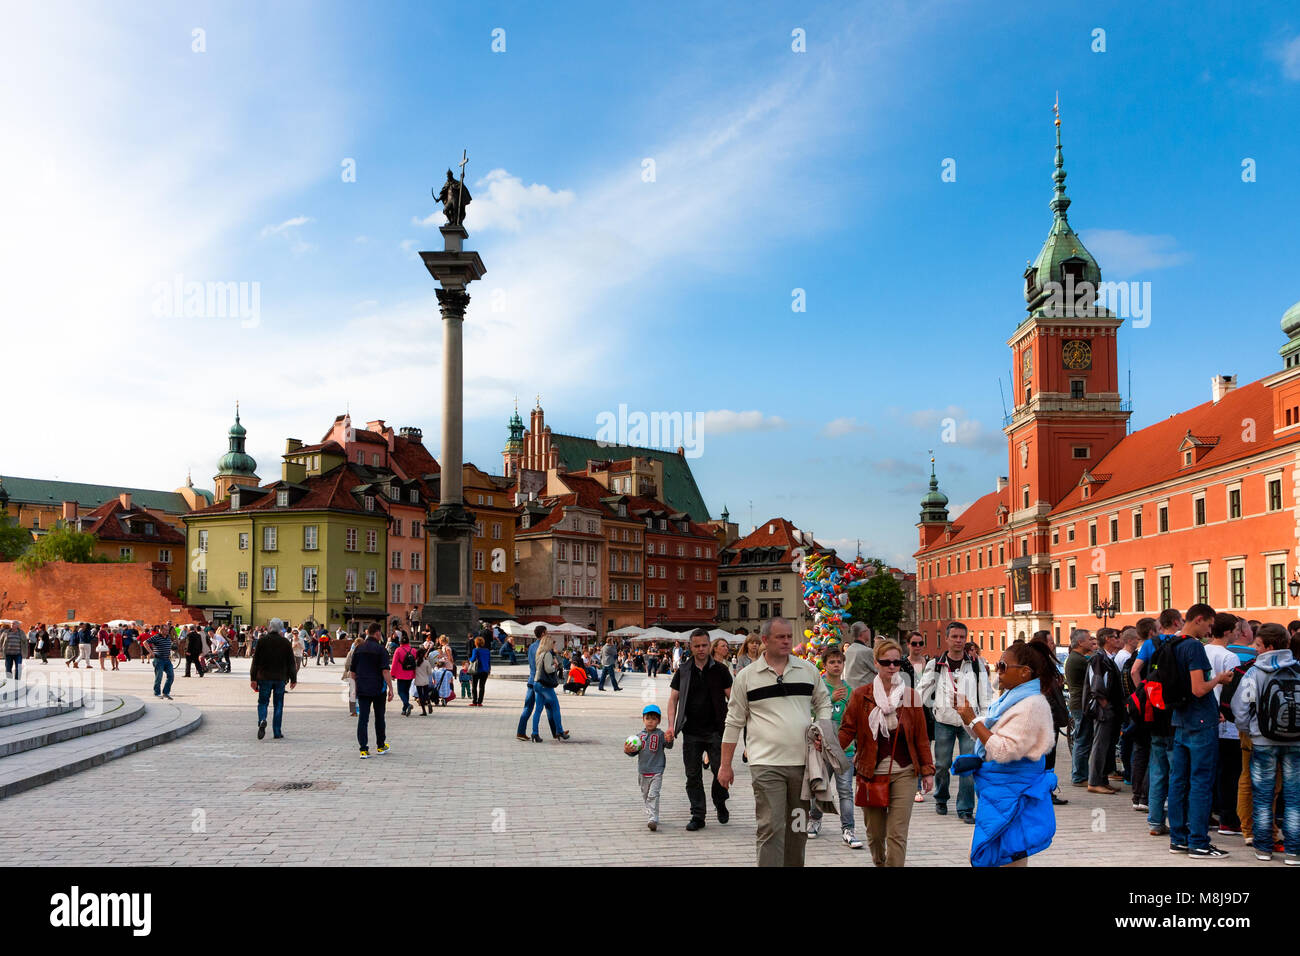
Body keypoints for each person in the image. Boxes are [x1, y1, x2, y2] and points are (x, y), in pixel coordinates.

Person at [720, 617, 831, 867]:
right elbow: (733, 721)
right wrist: (725, 765)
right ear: (765, 640)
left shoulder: (807, 670)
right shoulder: (747, 676)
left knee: (798, 827)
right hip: (766, 764)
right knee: (770, 826)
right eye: (780, 637)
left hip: (803, 767)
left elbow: (823, 702)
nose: (786, 641)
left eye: (789, 636)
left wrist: (822, 728)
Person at [953, 639, 1059, 866]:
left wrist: (972, 719)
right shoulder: (1011, 698)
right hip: (1003, 791)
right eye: (996, 665)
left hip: (1014, 790)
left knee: (1007, 853)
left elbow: (1002, 750)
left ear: (1024, 673)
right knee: (1002, 851)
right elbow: (989, 735)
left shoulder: (1031, 705)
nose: (997, 671)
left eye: (1002, 666)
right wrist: (968, 719)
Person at [838, 640, 934, 865]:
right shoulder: (862, 695)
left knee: (897, 835)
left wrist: (928, 771)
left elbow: (921, 737)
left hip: (905, 771)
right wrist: (827, 751)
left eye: (896, 662)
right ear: (876, 664)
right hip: (870, 772)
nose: (892, 667)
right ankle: (879, 862)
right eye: (886, 662)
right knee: (875, 835)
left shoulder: (910, 696)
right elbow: (847, 730)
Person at [1161, 603, 1234, 859]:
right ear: (1200, 619)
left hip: (1180, 720)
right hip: (1200, 723)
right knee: (1201, 783)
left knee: (1178, 781)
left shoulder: (1173, 643)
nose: (1210, 630)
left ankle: (1178, 839)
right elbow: (1199, 689)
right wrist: (1220, 680)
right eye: (1209, 625)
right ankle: (1199, 842)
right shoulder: (1193, 647)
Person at [1231, 622, 1300, 864]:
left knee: (1262, 795)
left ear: (1269, 646)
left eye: (1258, 645)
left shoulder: (1255, 672)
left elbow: (1240, 708)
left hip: (1262, 740)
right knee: (1294, 797)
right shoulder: (1298, 669)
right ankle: (1294, 851)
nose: (1255, 649)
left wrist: (1248, 730)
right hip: (1295, 741)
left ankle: (1263, 848)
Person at [919, 621, 991, 823]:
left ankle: (965, 808)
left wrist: (983, 717)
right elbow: (922, 691)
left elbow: (986, 693)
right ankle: (941, 797)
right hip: (944, 720)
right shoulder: (936, 664)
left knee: (969, 764)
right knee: (942, 764)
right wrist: (935, 706)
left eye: (962, 637)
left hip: (971, 722)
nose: (959, 641)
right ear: (947, 638)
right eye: (955, 637)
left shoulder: (976, 664)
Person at [666, 628, 733, 831]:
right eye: (697, 646)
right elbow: (673, 699)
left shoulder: (721, 670)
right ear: (691, 647)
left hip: (716, 730)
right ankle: (698, 814)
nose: (701, 649)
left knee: (719, 772)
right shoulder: (684, 670)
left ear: (709, 645)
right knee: (692, 775)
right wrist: (671, 725)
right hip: (691, 731)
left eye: (704, 645)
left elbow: (733, 698)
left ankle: (719, 802)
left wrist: (738, 723)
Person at [816, 644, 865, 848]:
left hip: (846, 750)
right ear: (825, 665)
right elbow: (812, 713)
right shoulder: (819, 688)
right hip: (822, 747)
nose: (836, 665)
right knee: (819, 787)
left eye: (839, 662)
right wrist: (829, 699)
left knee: (845, 790)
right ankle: (814, 819)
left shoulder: (850, 690)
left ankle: (848, 829)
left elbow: (855, 719)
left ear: (844, 664)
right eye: (832, 662)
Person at [1206, 613, 1246, 836]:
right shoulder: (1230, 657)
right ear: (1229, 631)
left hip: (1207, 715)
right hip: (1225, 719)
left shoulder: (1203, 650)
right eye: (1237, 628)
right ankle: (1228, 818)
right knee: (1230, 772)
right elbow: (1233, 692)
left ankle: (1213, 813)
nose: (1239, 633)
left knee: (1214, 769)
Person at [1084, 626, 1125, 794]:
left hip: (1110, 708)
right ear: (1108, 639)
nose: (1118, 640)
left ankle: (1102, 779)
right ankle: (1094, 781)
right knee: (1100, 745)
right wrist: (1105, 706)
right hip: (1104, 710)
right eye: (1116, 637)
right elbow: (1097, 686)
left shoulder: (1107, 658)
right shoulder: (1099, 659)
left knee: (1107, 746)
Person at [626, 704, 673, 831]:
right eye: (647, 718)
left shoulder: (661, 735)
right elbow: (633, 752)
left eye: (653, 719)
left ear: (658, 721)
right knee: (646, 795)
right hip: (643, 771)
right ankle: (653, 814)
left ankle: (652, 819)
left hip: (657, 770)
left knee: (653, 794)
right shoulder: (638, 736)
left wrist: (669, 739)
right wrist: (628, 750)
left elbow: (668, 746)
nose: (650, 721)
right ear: (643, 719)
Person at [249, 619, 297, 740]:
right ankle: (277, 731)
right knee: (278, 704)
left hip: (264, 677)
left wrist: (253, 678)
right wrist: (293, 678)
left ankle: (262, 719)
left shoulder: (262, 641)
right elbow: (291, 662)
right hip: (280, 678)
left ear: (270, 627)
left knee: (263, 702)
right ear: (281, 629)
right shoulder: (285, 642)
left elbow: (255, 661)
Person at [351, 622, 393, 758]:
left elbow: (353, 672)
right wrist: (391, 688)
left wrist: (353, 688)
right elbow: (385, 671)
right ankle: (380, 746)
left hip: (362, 688)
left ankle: (363, 749)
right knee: (379, 717)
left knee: (363, 718)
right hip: (378, 689)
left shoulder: (358, 648)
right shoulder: (381, 650)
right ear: (377, 633)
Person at [1063, 628, 1096, 788]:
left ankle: (1080, 774)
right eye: (1089, 639)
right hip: (1081, 704)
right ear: (1080, 642)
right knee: (1082, 740)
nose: (1092, 642)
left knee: (1081, 739)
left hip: (1079, 703)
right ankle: (1079, 776)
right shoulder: (1079, 660)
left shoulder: (1077, 658)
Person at [516, 625, 557, 740]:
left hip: (531, 679)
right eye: (547, 632)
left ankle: (520, 732)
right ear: (543, 633)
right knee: (550, 706)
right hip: (542, 681)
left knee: (528, 707)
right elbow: (547, 665)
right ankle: (556, 732)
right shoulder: (544, 647)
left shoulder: (531, 647)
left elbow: (531, 663)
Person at [530, 632, 570, 742]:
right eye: (552, 643)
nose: (553, 645)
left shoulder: (539, 653)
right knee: (555, 707)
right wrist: (555, 666)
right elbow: (548, 669)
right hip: (545, 685)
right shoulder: (547, 654)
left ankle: (535, 733)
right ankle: (560, 731)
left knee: (538, 710)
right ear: (548, 643)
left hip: (537, 683)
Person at [142, 627, 175, 699]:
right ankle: (157, 693)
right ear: (161, 630)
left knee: (171, 676)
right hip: (159, 660)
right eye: (165, 630)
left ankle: (166, 692)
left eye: (167, 630)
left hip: (167, 660)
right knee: (159, 677)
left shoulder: (168, 637)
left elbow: (169, 645)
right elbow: (145, 642)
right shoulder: (156, 637)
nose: (167, 631)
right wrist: (151, 652)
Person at [390, 635, 418, 716]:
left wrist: (392, 674)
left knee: (400, 691)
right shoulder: (413, 650)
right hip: (410, 673)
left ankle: (407, 705)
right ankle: (404, 709)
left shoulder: (398, 650)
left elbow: (394, 663)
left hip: (401, 674)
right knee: (406, 691)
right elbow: (415, 662)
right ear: (408, 642)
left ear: (400, 642)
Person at [844, 622, 877, 687]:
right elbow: (878, 670)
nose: (869, 632)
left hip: (850, 690)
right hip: (864, 691)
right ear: (862, 633)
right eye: (867, 630)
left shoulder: (848, 650)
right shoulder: (867, 651)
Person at [342, 637, 364, 716]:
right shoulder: (366, 652)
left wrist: (347, 669)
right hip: (363, 675)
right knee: (362, 692)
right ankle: (362, 709)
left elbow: (347, 664)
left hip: (352, 674)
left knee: (352, 693)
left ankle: (354, 711)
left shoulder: (351, 652)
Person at [468, 635, 491, 706]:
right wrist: (489, 669)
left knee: (474, 686)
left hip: (477, 670)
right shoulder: (487, 650)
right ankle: (480, 702)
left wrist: (469, 660)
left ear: (476, 643)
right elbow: (489, 661)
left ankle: (474, 701)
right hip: (485, 670)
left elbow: (473, 659)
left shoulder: (475, 650)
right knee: (482, 686)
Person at [414, 647, 434, 715]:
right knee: (426, 694)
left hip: (418, 680)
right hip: (425, 680)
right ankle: (429, 703)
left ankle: (424, 711)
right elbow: (430, 672)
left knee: (420, 695)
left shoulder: (415, 662)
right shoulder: (426, 662)